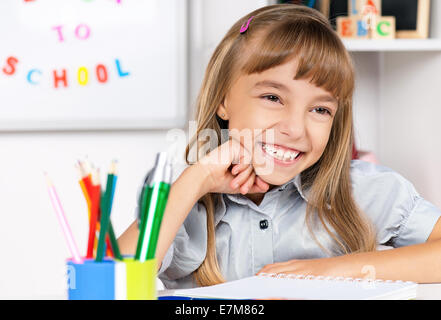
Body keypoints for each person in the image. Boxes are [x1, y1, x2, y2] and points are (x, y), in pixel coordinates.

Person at [118, 4, 441, 288]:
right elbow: (112, 281)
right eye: (273, 98)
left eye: (320, 110)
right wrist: (197, 180)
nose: (295, 129)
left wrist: (335, 270)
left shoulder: (369, 190)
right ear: (223, 101)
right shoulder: (176, 191)